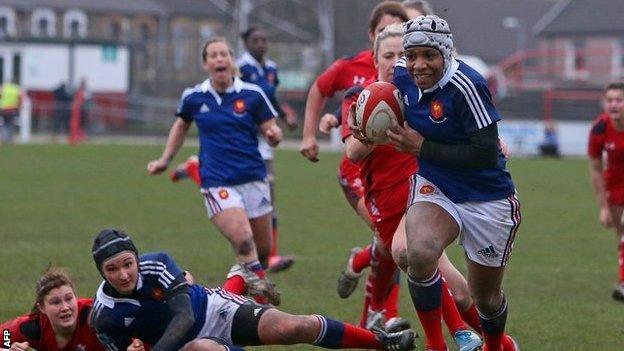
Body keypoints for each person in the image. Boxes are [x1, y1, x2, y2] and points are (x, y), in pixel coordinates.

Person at [387, 16, 521, 351]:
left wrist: (422, 147)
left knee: (486, 298)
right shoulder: (401, 74)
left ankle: (496, 346)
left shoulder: (467, 85)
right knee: (418, 252)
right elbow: (386, 101)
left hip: (487, 197)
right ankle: (437, 344)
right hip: (437, 185)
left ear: (445, 54)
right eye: (413, 54)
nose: (419, 64)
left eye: (428, 55)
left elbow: (486, 154)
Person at [89, 229, 416, 351]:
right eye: (112, 269)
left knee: (294, 327)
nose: (123, 274)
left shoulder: (157, 264)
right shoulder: (105, 317)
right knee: (200, 349)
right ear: (101, 272)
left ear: (136, 256)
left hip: (215, 310)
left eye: (127, 263)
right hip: (185, 347)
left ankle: (379, 342)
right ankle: (239, 276)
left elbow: (185, 316)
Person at [147, 37, 282, 305]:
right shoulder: (194, 97)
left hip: (254, 177)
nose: (219, 59)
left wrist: (274, 135)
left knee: (262, 252)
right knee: (244, 242)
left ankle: (229, 302)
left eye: (224, 54)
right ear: (205, 63)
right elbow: (181, 127)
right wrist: (165, 158)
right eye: (213, 55)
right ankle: (262, 299)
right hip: (217, 180)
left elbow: (270, 128)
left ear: (232, 60)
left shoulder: (253, 94)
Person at [300, 1, 410, 331]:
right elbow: (321, 89)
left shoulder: (407, 71)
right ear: (372, 37)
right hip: (357, 173)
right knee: (390, 241)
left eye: (397, 33)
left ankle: (362, 272)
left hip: (395, 172)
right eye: (382, 33)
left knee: (393, 243)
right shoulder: (353, 66)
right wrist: (309, 133)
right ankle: (379, 314)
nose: (391, 49)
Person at [236, 26, 296, 273]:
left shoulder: (271, 69)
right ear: (246, 43)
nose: (261, 44)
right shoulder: (240, 68)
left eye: (264, 40)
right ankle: (251, 255)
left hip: (266, 141)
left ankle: (268, 255)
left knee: (267, 199)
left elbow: (270, 99)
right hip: (246, 141)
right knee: (247, 200)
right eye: (256, 40)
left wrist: (284, 116)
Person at [0, 267, 105, 351]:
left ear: (76, 297)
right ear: (41, 308)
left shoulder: (95, 316)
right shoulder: (33, 327)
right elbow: (5, 332)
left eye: (69, 299)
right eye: (55, 302)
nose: (65, 307)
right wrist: (7, 348)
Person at [588, 82, 624, 301]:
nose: (614, 104)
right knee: (621, 236)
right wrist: (603, 207)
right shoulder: (599, 128)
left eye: (619, 100)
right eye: (610, 100)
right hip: (614, 188)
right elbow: (595, 168)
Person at [0, 77, 23, 144]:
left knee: (4, 124)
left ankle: (3, 138)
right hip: (12, 109)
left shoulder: (4, 88)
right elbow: (20, 98)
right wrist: (19, 106)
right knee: (10, 124)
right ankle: (9, 139)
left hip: (3, 109)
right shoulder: (17, 89)